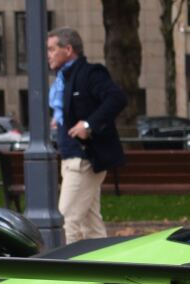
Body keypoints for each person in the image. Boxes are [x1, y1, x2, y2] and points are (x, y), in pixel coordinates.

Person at [47, 26, 127, 243]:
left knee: (65, 221)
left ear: (69, 49)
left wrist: (88, 124)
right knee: (90, 226)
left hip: (83, 159)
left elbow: (116, 98)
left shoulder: (90, 73)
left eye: (52, 49)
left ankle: (67, 274)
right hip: (72, 159)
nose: (49, 55)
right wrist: (61, 119)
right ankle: (103, 269)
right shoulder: (64, 79)